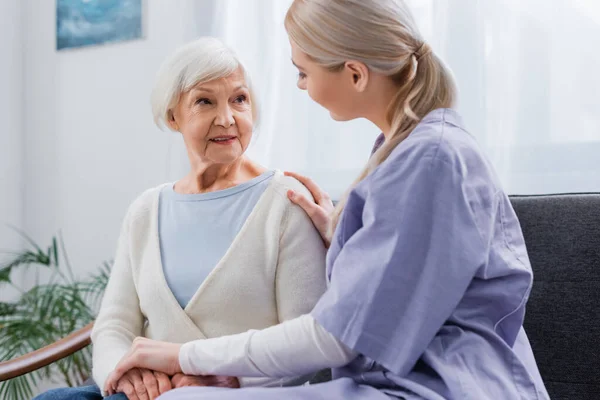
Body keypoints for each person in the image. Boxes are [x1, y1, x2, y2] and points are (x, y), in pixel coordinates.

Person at [102, 0, 551, 399]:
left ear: (354, 74)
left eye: (303, 71)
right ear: (172, 116)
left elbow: (333, 336)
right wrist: (344, 237)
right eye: (204, 102)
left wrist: (187, 358)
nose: (299, 85)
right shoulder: (403, 154)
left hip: (447, 385)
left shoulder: (428, 160)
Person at [33, 37, 327, 400]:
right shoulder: (146, 210)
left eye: (239, 99)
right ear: (173, 116)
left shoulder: (288, 201)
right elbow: (113, 326)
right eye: (205, 101)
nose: (227, 118)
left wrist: (221, 381)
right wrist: (126, 373)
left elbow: (306, 343)